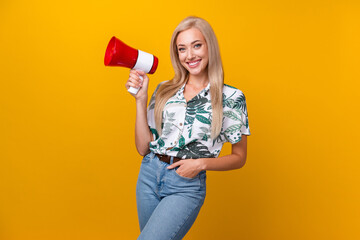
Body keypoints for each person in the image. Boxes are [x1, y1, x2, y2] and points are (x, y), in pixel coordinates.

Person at [125, 16, 251, 240]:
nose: (190, 55)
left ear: (209, 46)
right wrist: (140, 100)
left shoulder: (231, 98)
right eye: (182, 49)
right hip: (148, 174)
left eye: (197, 45)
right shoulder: (165, 89)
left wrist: (201, 164)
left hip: (185, 184)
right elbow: (143, 148)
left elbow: (239, 157)